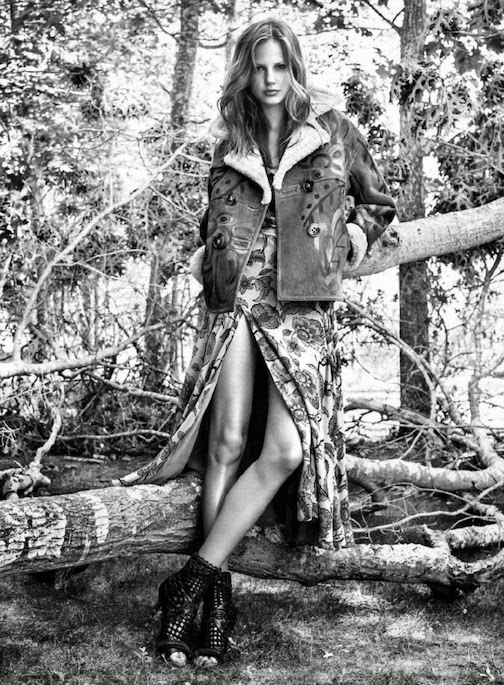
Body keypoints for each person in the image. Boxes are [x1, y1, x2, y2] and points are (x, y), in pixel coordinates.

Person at [119, 18, 396, 668]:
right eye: (259, 68)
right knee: (225, 441)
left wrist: (351, 240)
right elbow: (212, 221)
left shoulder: (333, 129)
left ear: (294, 69)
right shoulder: (231, 143)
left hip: (301, 301)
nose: (270, 80)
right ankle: (215, 605)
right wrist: (210, 257)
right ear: (246, 72)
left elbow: (378, 201)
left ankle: (190, 581)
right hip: (239, 297)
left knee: (285, 449)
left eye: (280, 67)